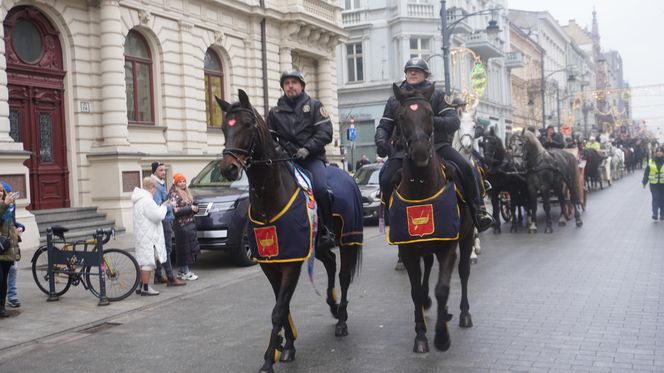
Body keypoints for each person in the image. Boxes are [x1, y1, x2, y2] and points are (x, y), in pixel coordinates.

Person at [374, 57, 494, 233]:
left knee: (467, 168)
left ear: (425, 74)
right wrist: (381, 141)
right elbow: (384, 126)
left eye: (417, 70)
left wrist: (426, 119)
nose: (412, 73)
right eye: (409, 70)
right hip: (404, 150)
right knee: (385, 177)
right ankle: (390, 216)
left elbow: (453, 121)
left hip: (438, 146)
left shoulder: (437, 95)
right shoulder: (395, 99)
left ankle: (478, 211)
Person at [267, 69, 336, 249]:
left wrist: (307, 148)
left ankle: (327, 230)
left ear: (302, 86)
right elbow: (270, 139)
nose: (290, 86)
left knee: (320, 189)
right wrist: (280, 151)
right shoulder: (274, 112)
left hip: (311, 159)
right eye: (287, 83)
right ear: (283, 87)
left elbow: (326, 132)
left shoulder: (314, 106)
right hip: (287, 161)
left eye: (294, 82)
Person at [150, 161, 185, 287]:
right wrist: (171, 205)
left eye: (164, 170)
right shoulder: (155, 185)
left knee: (163, 248)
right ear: (154, 171)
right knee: (166, 249)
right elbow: (159, 205)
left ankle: (158, 275)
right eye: (161, 170)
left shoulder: (160, 183)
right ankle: (170, 277)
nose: (164, 172)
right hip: (163, 221)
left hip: (165, 219)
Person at [131, 177, 169, 296]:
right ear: (151, 188)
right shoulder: (147, 200)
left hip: (142, 234)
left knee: (142, 261)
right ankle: (146, 288)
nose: (155, 191)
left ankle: (141, 286)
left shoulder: (139, 200)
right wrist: (164, 207)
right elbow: (157, 216)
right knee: (148, 262)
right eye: (155, 189)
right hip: (148, 235)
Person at [169, 173, 201, 281]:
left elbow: (190, 207)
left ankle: (182, 272)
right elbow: (175, 211)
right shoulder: (174, 194)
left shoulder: (186, 192)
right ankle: (186, 272)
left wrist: (196, 209)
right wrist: (190, 209)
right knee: (184, 250)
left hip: (189, 224)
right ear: (176, 183)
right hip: (181, 226)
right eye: (180, 181)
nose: (182, 183)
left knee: (187, 250)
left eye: (183, 181)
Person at [0, 182, 24, 308]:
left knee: (12, 270)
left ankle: (10, 299)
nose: (9, 196)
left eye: (10, 193)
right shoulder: (4, 206)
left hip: (9, 245)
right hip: (2, 245)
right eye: (7, 193)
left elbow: (11, 223)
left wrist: (20, 227)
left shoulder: (10, 206)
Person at [642, 146, 664, 221]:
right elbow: (646, 172)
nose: (659, 152)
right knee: (655, 198)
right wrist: (644, 182)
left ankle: (662, 214)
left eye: (661, 151)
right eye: (657, 151)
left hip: (663, 184)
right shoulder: (651, 161)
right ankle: (655, 214)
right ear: (655, 153)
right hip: (654, 184)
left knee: (662, 199)